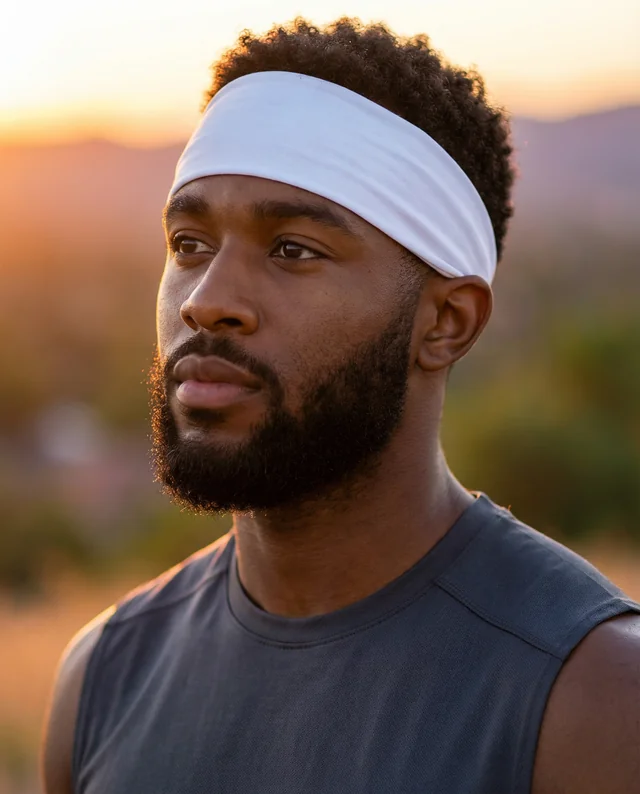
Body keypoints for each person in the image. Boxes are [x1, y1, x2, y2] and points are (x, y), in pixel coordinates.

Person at [42, 18, 640, 794]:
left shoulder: (592, 697)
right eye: (189, 244)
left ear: (444, 322)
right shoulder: (102, 677)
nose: (208, 301)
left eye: (293, 250)